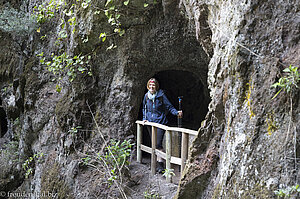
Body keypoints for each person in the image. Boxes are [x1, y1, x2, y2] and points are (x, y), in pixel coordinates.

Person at [142, 78, 183, 173]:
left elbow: (169, 106)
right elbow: (144, 108)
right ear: (148, 87)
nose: (152, 87)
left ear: (156, 87)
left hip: (160, 122)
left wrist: (176, 112)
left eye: (154, 85)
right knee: (154, 144)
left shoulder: (161, 95)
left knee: (158, 144)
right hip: (150, 122)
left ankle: (160, 165)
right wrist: (144, 118)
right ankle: (157, 164)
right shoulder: (146, 96)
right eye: (150, 86)